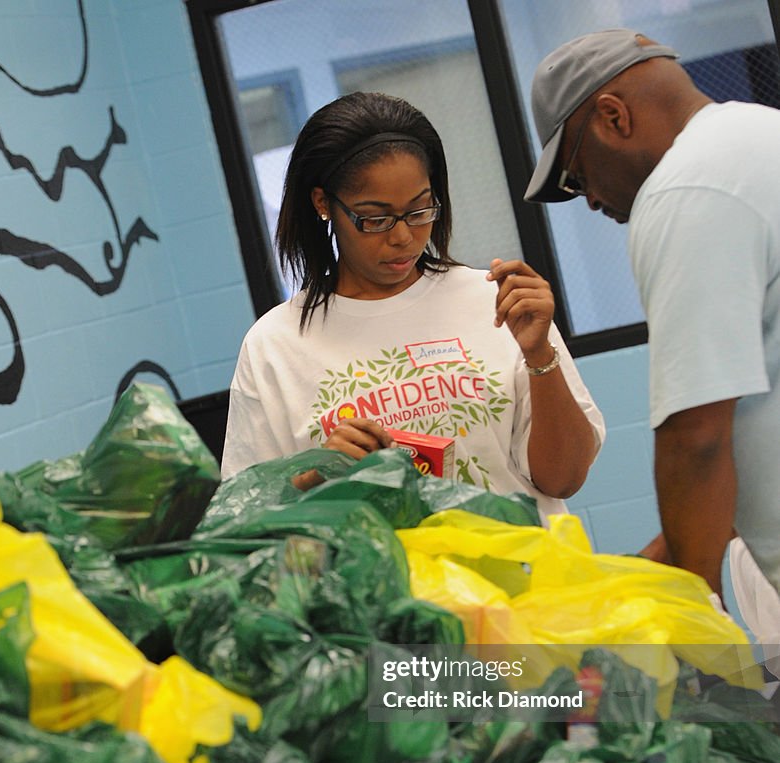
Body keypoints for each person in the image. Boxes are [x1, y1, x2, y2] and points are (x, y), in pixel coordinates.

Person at [221, 91, 604, 519]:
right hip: (384, 585)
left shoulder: (496, 303)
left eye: (420, 210)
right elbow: (244, 521)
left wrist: (539, 356)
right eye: (376, 218)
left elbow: (564, 479)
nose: (403, 237)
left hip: (530, 577)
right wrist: (317, 478)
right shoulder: (276, 345)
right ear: (323, 203)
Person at [524, 27, 780, 606]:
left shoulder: (685, 189)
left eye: (576, 175)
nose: (588, 200)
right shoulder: (757, 135)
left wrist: (686, 615)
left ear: (613, 117)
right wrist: (660, 564)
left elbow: (696, 437)